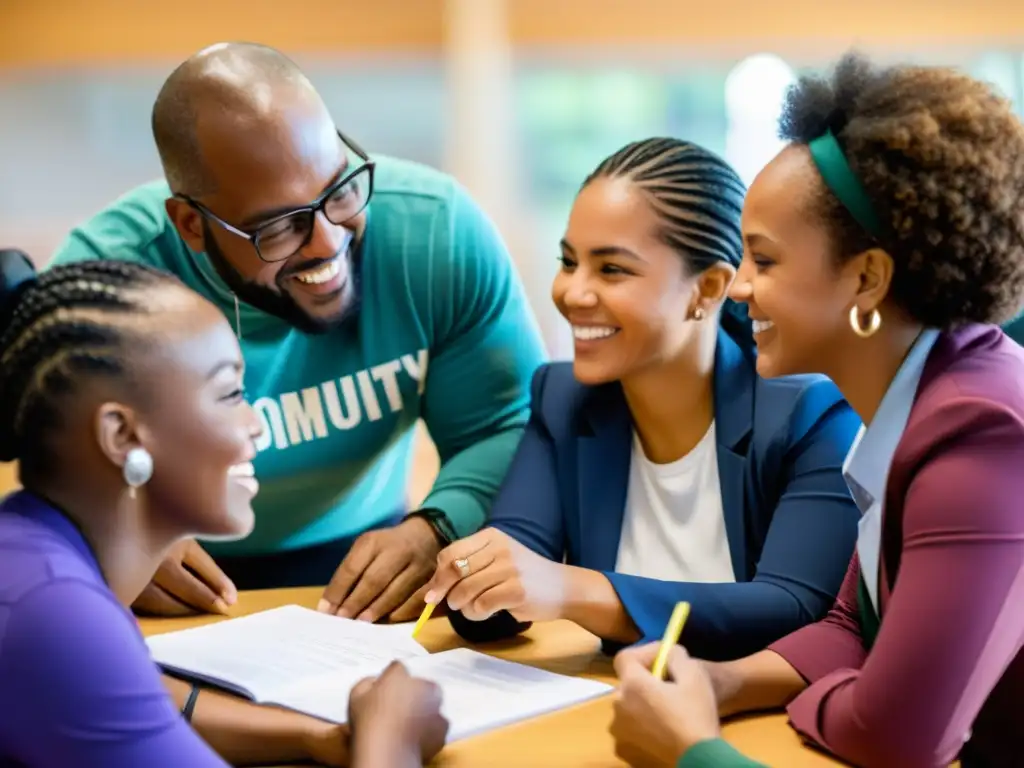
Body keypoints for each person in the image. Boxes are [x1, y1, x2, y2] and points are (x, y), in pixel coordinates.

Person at [609, 52, 1024, 768]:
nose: (738, 288)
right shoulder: (922, 399)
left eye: (764, 261)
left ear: (866, 278)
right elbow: (853, 623)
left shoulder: (981, 439)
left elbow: (894, 736)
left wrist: (689, 749)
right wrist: (723, 680)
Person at [47, 41, 546, 622]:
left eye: (339, 189)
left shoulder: (435, 234)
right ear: (191, 224)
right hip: (168, 581)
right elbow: (53, 465)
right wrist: (112, 529)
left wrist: (441, 523)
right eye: (280, 228)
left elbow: (509, 424)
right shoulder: (101, 287)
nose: (330, 243)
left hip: (375, 560)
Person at [0, 251, 448, 767]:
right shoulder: (55, 611)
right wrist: (392, 737)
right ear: (122, 436)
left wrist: (321, 738)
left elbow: (149, 704)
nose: (255, 423)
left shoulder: (38, 554)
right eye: (229, 393)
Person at [421, 137, 862, 662]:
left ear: (709, 288)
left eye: (611, 270)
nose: (572, 293)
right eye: (568, 262)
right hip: (613, 710)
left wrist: (571, 590)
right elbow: (511, 574)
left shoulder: (811, 413)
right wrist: (478, 581)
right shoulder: (562, 399)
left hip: (757, 722)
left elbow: (794, 606)